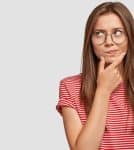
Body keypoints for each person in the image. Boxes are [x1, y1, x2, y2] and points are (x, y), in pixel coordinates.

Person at [56, 1, 134, 150]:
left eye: (118, 33)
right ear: (90, 41)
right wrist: (103, 91)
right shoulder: (70, 87)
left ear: (130, 36)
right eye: (99, 34)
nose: (109, 42)